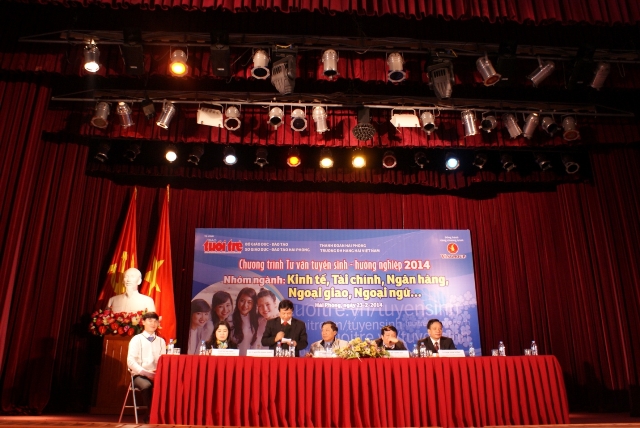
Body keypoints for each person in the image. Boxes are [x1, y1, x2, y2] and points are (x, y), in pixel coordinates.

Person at [126, 312, 166, 423]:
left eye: (155, 321)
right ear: (143, 322)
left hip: (156, 375)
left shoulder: (161, 341)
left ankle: (163, 415)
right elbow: (130, 362)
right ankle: (151, 416)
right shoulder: (136, 339)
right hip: (139, 375)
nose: (153, 323)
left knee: (169, 385)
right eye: (150, 321)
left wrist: (156, 373)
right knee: (147, 386)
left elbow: (163, 361)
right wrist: (146, 373)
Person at [231, 287, 260, 355]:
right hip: (233, 358)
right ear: (237, 301)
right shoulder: (230, 319)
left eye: (249, 302)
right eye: (242, 301)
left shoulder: (257, 320)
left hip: (252, 358)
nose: (245, 305)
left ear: (253, 304)